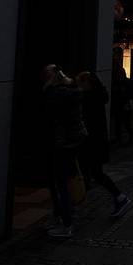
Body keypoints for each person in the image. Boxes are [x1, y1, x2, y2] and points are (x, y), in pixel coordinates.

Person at [75, 71, 131, 218]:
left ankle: (119, 197)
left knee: (94, 173)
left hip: (91, 144)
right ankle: (117, 197)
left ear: (87, 84)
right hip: (97, 143)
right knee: (94, 173)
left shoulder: (89, 99)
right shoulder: (97, 96)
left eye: (80, 83)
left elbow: (87, 123)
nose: (78, 86)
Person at [41, 64, 88, 238]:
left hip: (59, 144)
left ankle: (65, 221)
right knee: (63, 182)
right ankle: (64, 216)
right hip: (70, 142)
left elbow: (51, 121)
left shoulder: (54, 95)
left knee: (60, 183)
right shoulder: (71, 93)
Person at [111, 59, 133, 144]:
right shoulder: (115, 82)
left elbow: (130, 93)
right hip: (119, 104)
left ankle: (129, 136)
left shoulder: (126, 82)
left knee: (126, 122)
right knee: (118, 122)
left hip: (125, 104)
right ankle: (119, 137)